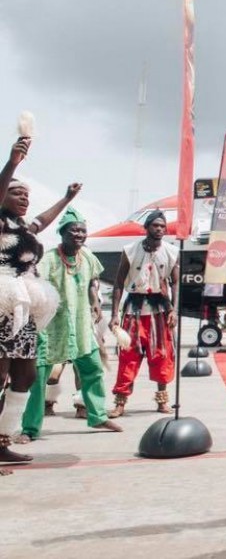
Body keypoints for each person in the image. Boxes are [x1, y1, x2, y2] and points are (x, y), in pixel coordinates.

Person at [0, 137, 77, 473]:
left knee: (26, 375)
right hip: (2, 305)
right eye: (18, 192)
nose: (25, 198)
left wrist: (67, 198)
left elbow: (42, 223)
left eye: (28, 195)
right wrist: (13, 163)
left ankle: (3, 440)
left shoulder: (21, 226)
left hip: (25, 309)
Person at [21, 207, 122, 439]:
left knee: (93, 369)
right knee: (39, 377)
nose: (79, 234)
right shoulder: (48, 259)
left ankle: (97, 417)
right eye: (74, 230)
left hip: (80, 323)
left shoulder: (87, 256)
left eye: (82, 231)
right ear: (62, 233)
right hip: (51, 326)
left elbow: (93, 279)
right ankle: (30, 429)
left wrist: (95, 301)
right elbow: (34, 284)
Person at [108, 210, 180, 418]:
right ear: (146, 227)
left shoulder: (171, 252)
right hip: (134, 309)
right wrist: (114, 314)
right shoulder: (130, 250)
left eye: (162, 226)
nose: (159, 229)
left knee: (162, 355)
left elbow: (175, 282)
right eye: (155, 225)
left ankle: (162, 401)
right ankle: (120, 402)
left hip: (160, 309)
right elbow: (118, 283)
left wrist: (174, 309)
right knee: (128, 356)